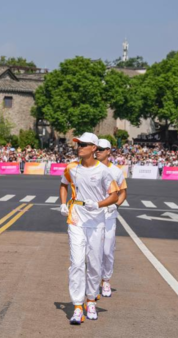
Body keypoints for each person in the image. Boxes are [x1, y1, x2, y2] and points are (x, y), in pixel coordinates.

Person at [59, 132, 118, 324]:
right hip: (76, 217)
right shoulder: (71, 168)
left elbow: (114, 196)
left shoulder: (104, 171)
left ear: (94, 148)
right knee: (76, 262)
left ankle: (91, 300)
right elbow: (63, 184)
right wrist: (62, 203)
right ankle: (77, 306)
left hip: (96, 220)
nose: (79, 147)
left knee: (94, 263)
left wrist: (99, 204)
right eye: (78, 144)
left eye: (84, 144)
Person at [95, 139, 127, 298]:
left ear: (108, 151)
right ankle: (93, 281)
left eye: (101, 149)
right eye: (96, 148)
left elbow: (123, 192)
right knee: (92, 251)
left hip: (108, 215)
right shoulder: (90, 169)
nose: (98, 151)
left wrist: (116, 205)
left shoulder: (116, 171)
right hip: (92, 215)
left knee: (107, 250)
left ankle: (106, 279)